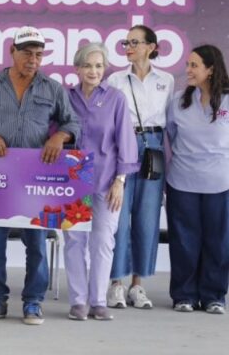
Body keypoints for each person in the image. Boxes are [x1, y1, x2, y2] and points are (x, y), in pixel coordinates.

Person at [0, 26, 80, 325]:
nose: (33, 60)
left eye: (39, 55)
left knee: (36, 244)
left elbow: (73, 123)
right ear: (12, 51)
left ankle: (33, 302)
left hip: (36, 177)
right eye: (27, 53)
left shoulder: (52, 88)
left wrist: (60, 136)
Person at [65, 43, 139, 321]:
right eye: (87, 65)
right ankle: (78, 301)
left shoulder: (116, 99)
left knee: (103, 241)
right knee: (74, 240)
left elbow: (126, 142)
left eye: (98, 66)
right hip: (72, 180)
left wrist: (120, 181)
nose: (93, 71)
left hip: (107, 180)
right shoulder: (67, 97)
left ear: (105, 68)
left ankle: (98, 301)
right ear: (77, 68)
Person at [106, 25, 174, 309]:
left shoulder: (166, 80)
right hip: (124, 145)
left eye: (135, 42)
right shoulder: (115, 79)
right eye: (126, 43)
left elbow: (171, 123)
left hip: (154, 146)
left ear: (151, 47)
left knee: (147, 218)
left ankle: (138, 284)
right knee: (119, 216)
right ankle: (116, 283)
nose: (129, 48)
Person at [166, 44, 229, 315]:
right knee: (184, 241)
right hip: (182, 182)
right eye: (187, 64)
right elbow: (171, 135)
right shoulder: (179, 101)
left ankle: (214, 296)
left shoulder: (227, 101)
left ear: (210, 70)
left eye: (194, 65)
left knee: (218, 242)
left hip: (220, 183)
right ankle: (184, 295)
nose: (188, 70)